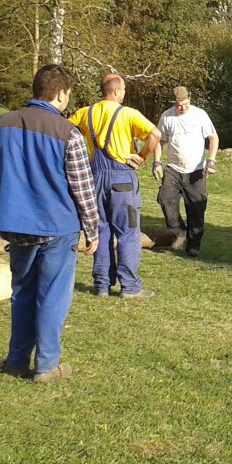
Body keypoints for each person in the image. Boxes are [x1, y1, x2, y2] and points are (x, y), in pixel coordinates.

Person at [0, 64, 99, 383]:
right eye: (68, 94)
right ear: (60, 94)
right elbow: (83, 188)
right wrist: (92, 229)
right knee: (52, 297)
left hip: (15, 223)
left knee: (22, 293)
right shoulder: (68, 133)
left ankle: (16, 361)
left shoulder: (1, 124)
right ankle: (47, 366)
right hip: (57, 226)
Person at [69, 74, 160, 299]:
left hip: (94, 178)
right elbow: (155, 134)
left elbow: (64, 131)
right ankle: (129, 287)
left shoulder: (85, 113)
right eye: (124, 89)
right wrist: (142, 156)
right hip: (122, 179)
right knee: (128, 232)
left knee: (101, 229)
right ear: (117, 91)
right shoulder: (128, 113)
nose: (125, 93)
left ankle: (102, 285)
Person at [152, 86, 218, 258]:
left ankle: (193, 244)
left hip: (196, 170)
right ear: (173, 104)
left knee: (196, 208)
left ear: (189, 99)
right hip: (173, 169)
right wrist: (157, 162)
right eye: (178, 105)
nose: (182, 108)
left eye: (185, 104)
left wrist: (211, 161)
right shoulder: (167, 116)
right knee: (165, 199)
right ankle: (179, 232)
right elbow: (160, 141)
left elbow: (213, 137)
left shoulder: (199, 115)